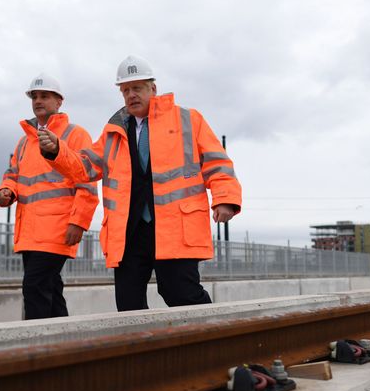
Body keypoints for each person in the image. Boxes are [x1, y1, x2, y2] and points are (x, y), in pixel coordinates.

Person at [39, 55, 242, 311]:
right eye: (125, 90)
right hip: (129, 230)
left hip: (174, 226)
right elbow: (85, 168)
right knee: (128, 304)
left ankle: (214, 340)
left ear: (153, 89)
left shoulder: (187, 120)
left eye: (137, 88)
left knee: (181, 293)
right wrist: (58, 150)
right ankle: (143, 350)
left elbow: (217, 162)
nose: (131, 95)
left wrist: (225, 199)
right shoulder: (114, 129)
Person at [0, 74, 97, 320]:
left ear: (59, 101)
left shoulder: (75, 134)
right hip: (29, 231)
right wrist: (6, 191)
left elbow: (87, 179)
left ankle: (36, 345)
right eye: (35, 96)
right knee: (49, 288)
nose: (38, 101)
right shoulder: (23, 142)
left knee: (34, 286)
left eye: (45, 96)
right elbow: (12, 175)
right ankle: (64, 345)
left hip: (57, 228)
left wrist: (78, 222)